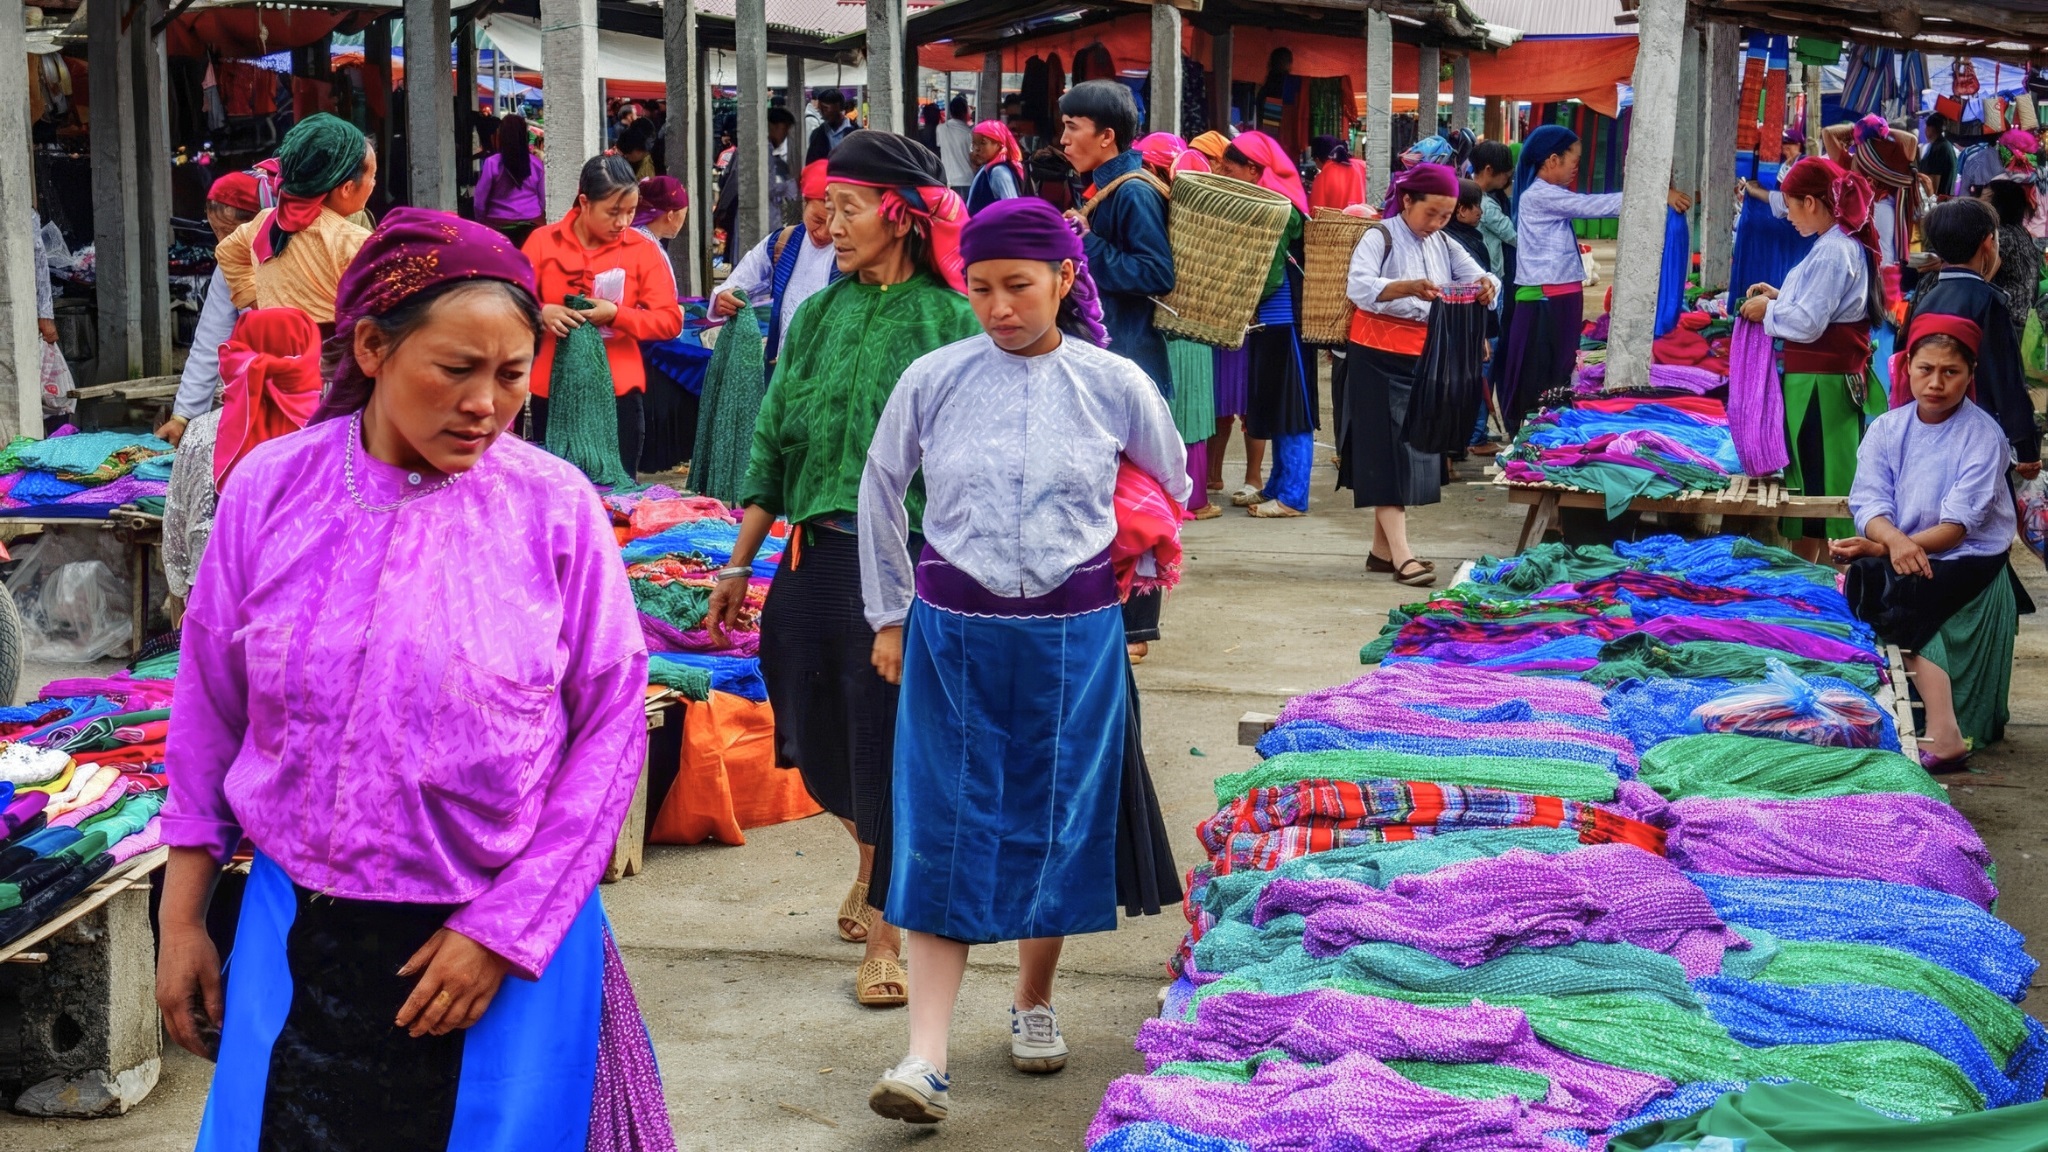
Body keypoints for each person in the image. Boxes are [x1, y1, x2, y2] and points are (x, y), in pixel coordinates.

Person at [156, 208, 673, 1150]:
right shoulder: (270, 490)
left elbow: (610, 728)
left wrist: (504, 931)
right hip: (294, 939)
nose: (486, 402)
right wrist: (181, 919)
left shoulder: (554, 509)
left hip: (503, 957)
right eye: (456, 370)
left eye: (512, 376)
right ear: (372, 347)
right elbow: (208, 714)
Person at [859, 196, 1188, 1125]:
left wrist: (1133, 552)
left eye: (1018, 286)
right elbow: (881, 487)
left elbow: (1170, 480)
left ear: (1064, 280)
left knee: (1055, 818)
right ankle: (923, 1058)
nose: (999, 307)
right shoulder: (934, 377)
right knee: (944, 822)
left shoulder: (1114, 381)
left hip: (1076, 637)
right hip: (950, 632)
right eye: (981, 288)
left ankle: (1034, 1003)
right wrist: (889, 615)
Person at [707, 131, 978, 1010]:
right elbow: (774, 439)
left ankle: (890, 932)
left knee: (883, 737)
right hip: (814, 554)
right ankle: (871, 862)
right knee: (813, 733)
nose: (829, 222)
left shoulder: (951, 320)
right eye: (827, 207)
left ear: (899, 215)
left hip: (906, 565)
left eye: (848, 207)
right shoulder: (818, 313)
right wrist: (739, 562)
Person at [1834, 316, 2027, 769]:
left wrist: (1887, 547)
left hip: (1969, 554)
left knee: (1907, 591)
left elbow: (1958, 526)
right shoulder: (1887, 428)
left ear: (1970, 374)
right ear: (1906, 369)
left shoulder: (1984, 435)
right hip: (1909, 544)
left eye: (1950, 372)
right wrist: (1890, 543)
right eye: (1925, 369)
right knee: (1866, 580)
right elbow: (1869, 504)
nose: (1936, 382)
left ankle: (1944, 735)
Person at [1060, 80, 1176, 657]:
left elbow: (1156, 272)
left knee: (1134, 494)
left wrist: (1086, 248)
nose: (1064, 140)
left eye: (1072, 129)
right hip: (1112, 357)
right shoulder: (1104, 186)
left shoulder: (1131, 192)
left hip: (1132, 359)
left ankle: (1135, 628)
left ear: (1107, 137)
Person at [1343, 163, 1498, 588]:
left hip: (1423, 355)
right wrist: (1407, 287)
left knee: (1411, 445)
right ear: (1408, 200)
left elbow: (1483, 276)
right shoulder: (1380, 235)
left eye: (1446, 215)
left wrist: (1486, 285)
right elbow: (1358, 287)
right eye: (1432, 213)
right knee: (1388, 451)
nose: (1438, 223)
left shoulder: (1444, 242)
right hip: (1375, 353)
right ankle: (1402, 556)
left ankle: (1381, 551)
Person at [1736, 156, 1887, 556]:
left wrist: (1767, 311)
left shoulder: (1834, 250)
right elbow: (1824, 308)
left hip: (1821, 386)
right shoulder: (1837, 243)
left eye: (1790, 205)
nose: (1787, 216)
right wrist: (1780, 298)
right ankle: (1816, 573)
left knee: (1818, 484)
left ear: (1812, 202)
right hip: (1823, 382)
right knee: (1819, 476)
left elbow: (1807, 323)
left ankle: (1825, 576)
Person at [1501, 124, 1689, 431]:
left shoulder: (1547, 194)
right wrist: (1657, 194)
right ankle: (1533, 429)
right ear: (1552, 160)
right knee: (1542, 369)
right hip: (1546, 297)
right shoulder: (1539, 196)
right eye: (1572, 160)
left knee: (1559, 366)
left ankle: (1545, 425)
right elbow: (1592, 206)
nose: (1576, 167)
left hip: (1560, 294)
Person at [522, 155, 686, 478]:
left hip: (619, 394)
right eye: (613, 212)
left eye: (631, 212)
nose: (624, 222)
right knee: (556, 493)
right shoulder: (543, 243)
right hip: (553, 392)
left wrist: (617, 315)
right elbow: (506, 301)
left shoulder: (642, 250)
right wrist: (540, 312)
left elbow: (669, 321)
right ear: (584, 202)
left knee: (617, 495)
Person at [161, 308, 324, 626]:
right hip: (306, 603)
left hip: (214, 596)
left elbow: (178, 516)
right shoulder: (328, 432)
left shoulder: (203, 431)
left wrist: (181, 589)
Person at [1901, 197, 2042, 480]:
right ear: (1988, 243)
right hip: (1980, 435)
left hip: (1929, 430)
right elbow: (2007, 382)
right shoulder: (1989, 303)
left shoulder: (1925, 300)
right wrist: (2027, 450)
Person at [1212, 132, 1315, 519]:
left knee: (1293, 410)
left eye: (1230, 167)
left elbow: (1269, 275)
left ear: (1254, 170)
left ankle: (1292, 496)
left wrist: (1244, 299)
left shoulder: (1278, 207)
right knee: (1278, 405)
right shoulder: (1275, 201)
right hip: (1271, 320)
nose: (1223, 173)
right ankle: (1277, 485)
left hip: (1284, 318)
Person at [213, 113, 378, 335]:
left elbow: (227, 252)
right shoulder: (353, 241)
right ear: (347, 188)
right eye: (373, 176)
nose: (374, 183)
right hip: (329, 364)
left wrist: (257, 302)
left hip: (274, 360)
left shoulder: (265, 221)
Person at [158, 170, 263, 447]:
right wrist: (183, 416)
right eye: (216, 231)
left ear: (259, 222)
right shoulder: (228, 265)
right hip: (254, 393)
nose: (222, 242)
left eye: (229, 232)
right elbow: (210, 340)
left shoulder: (287, 257)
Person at [712, 160, 839, 373]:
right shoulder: (784, 242)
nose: (824, 232)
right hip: (781, 375)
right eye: (817, 220)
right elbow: (735, 285)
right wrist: (723, 299)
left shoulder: (854, 253)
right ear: (804, 203)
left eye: (835, 221)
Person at [1980, 177, 2045, 346]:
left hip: (2007, 316)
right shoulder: (2020, 232)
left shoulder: (2003, 237)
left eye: (1986, 198)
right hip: (2022, 315)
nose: (1979, 202)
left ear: (2000, 205)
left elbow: (1982, 272)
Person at [473, 112, 547, 249]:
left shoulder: (492, 163)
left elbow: (479, 202)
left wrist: (481, 222)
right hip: (531, 225)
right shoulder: (536, 164)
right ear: (523, 136)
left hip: (497, 226)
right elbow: (543, 200)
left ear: (502, 136)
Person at [966, 119, 1026, 214]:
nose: (977, 148)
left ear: (999, 145)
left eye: (983, 143)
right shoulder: (987, 168)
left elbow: (1011, 209)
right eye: (974, 143)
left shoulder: (999, 172)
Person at [1308, 134, 1369, 212]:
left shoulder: (1323, 177)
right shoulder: (1362, 165)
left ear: (1317, 159)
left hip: (1336, 223)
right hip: (1367, 221)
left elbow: (1316, 211)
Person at [938, 95, 976, 197]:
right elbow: (974, 157)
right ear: (965, 113)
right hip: (966, 180)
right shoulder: (969, 133)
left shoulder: (941, 129)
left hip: (948, 180)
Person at [806, 87, 856, 165]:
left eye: (825, 108)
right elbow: (812, 164)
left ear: (838, 107)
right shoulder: (817, 134)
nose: (822, 112)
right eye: (820, 109)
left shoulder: (856, 132)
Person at [1920, 113, 1959, 201]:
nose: (1925, 130)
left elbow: (1935, 179)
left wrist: (1931, 201)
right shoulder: (1943, 145)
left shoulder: (1939, 148)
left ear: (1930, 129)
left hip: (1939, 201)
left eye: (1926, 127)